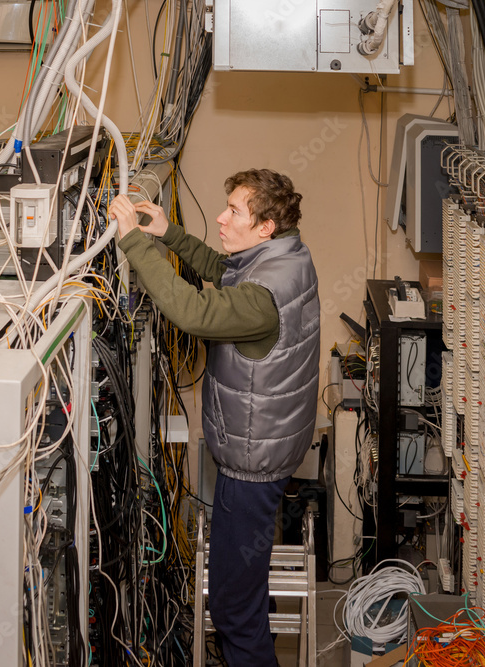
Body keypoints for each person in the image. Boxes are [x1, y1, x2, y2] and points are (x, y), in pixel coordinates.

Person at [109, 169, 320, 666]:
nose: (222, 218)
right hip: (265, 447)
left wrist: (135, 244)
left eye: (234, 212)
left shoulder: (262, 298)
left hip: (252, 463)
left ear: (265, 226)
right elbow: (228, 274)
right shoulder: (287, 255)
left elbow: (195, 311)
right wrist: (169, 235)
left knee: (231, 610)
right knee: (244, 591)